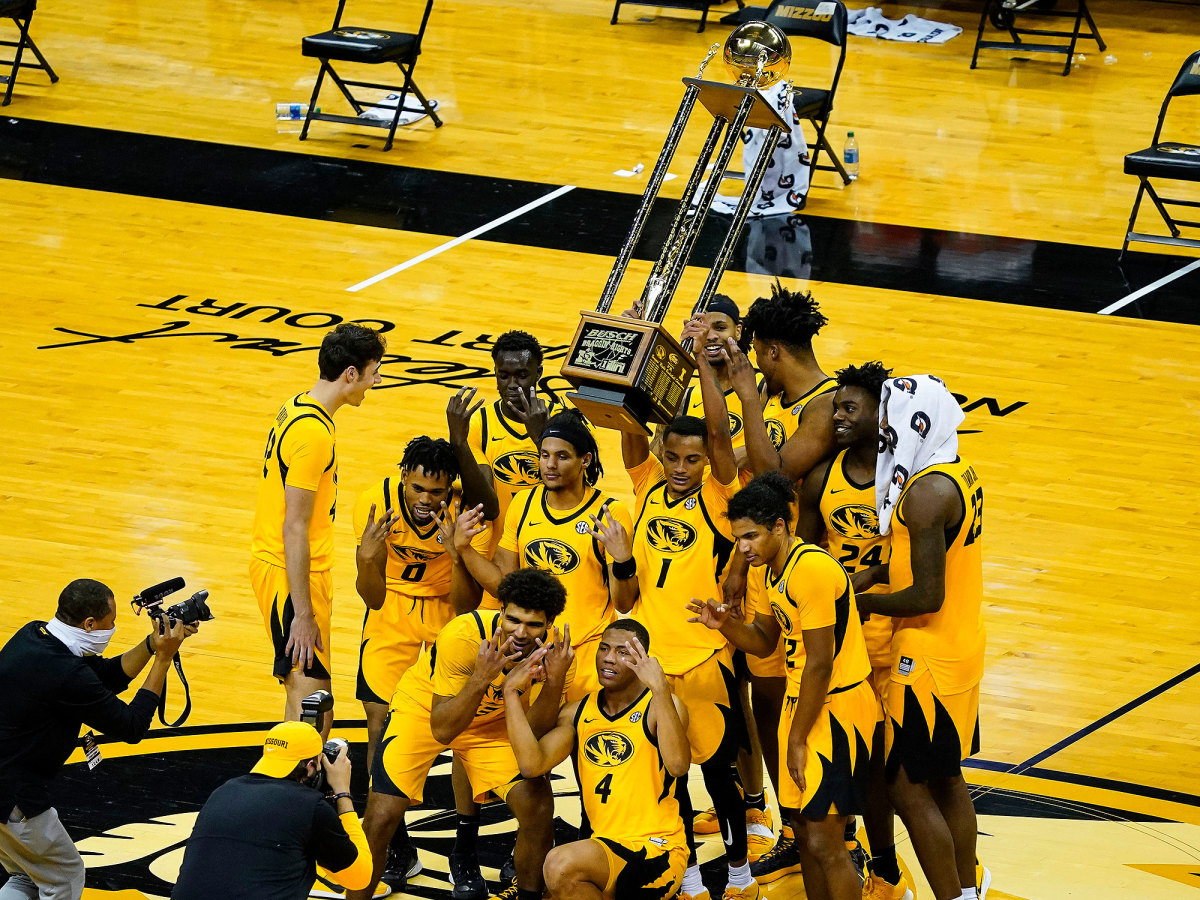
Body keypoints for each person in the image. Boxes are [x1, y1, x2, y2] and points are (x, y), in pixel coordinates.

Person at [612, 313, 756, 900]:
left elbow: (722, 439)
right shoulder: (647, 487)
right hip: (654, 662)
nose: (679, 468)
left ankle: (741, 865)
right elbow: (626, 425)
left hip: (704, 658)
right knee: (667, 775)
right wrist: (626, 347)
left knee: (718, 771)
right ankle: (688, 869)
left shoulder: (721, 499)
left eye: (690, 461)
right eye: (672, 457)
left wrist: (701, 362)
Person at [689, 472, 877, 900]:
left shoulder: (809, 568)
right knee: (805, 837)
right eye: (738, 539)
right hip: (805, 702)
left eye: (751, 536)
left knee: (828, 842)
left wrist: (794, 739)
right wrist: (725, 626)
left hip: (836, 707)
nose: (743, 548)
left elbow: (821, 662)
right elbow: (764, 640)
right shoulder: (774, 572)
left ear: (779, 525)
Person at [347, 569, 575, 900]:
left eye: (534, 624)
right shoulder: (464, 636)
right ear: (500, 612)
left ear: (549, 623)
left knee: (537, 808)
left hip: (490, 726)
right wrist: (482, 678)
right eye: (513, 620)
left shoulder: (559, 655)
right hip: (425, 714)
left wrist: (553, 682)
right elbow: (442, 729)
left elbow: (535, 735)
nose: (521, 632)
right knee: (380, 817)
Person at [716, 283, 840, 879]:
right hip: (769, 567)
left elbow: (772, 482)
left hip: (810, 575)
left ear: (767, 352)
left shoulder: (824, 405)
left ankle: (836, 830)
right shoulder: (777, 389)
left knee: (812, 705)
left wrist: (747, 400)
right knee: (767, 701)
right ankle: (790, 820)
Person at [853, 375, 989, 900]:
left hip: (927, 658)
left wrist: (861, 604)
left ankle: (953, 897)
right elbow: (921, 561)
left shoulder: (923, 496)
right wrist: (872, 575)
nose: (885, 431)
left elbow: (926, 595)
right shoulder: (959, 472)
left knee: (905, 787)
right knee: (948, 778)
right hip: (963, 644)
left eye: (893, 421)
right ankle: (970, 890)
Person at [796, 362, 916, 900]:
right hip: (838, 645)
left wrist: (864, 579)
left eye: (849, 408)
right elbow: (801, 554)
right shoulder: (823, 476)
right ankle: (848, 851)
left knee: (884, 770)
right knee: (846, 765)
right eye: (836, 407)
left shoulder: (907, 480)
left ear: (880, 413)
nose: (837, 417)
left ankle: (886, 864)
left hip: (891, 638)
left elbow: (918, 563)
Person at [352, 435, 491, 894]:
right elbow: (370, 597)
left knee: (461, 732)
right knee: (379, 726)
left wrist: (457, 553)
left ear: (450, 488)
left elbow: (467, 601)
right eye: (418, 489)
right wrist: (367, 558)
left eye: (437, 492)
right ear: (403, 480)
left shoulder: (463, 513)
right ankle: (398, 844)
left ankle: (465, 848)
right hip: (390, 608)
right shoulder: (374, 503)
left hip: (445, 613)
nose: (427, 501)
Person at [0, 578, 193, 900]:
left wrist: (152, 644)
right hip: (14, 795)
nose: (114, 627)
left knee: (27, 875)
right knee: (64, 877)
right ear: (90, 623)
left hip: (5, 787)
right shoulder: (65, 673)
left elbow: (101, 679)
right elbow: (131, 728)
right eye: (111, 621)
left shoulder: (34, 635)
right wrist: (162, 660)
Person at [250, 323, 387, 729]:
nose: (375, 381)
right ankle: (293, 787)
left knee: (305, 692)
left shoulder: (298, 405)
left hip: (296, 571)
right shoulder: (313, 432)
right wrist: (303, 613)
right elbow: (295, 526)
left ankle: (290, 784)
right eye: (373, 371)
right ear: (350, 374)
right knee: (313, 700)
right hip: (288, 575)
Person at [455, 408, 635, 701]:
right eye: (544, 455)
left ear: (585, 460)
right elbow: (503, 583)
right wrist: (464, 550)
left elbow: (625, 601)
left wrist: (623, 560)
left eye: (562, 456)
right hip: (534, 653)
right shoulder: (524, 503)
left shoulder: (610, 512)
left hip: (586, 651)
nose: (549, 465)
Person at [503, 620, 691, 900]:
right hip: (600, 850)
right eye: (603, 648)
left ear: (643, 659)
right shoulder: (577, 712)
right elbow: (532, 765)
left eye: (622, 652)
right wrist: (510, 694)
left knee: (559, 864)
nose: (608, 657)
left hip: (656, 849)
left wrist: (661, 687)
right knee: (563, 878)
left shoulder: (660, 705)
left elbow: (678, 765)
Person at [173, 721, 370, 900]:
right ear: (312, 766)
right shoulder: (310, 807)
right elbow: (359, 878)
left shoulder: (223, 791)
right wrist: (342, 792)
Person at [447, 330, 563, 608]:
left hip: (550, 543)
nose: (512, 384)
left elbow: (576, 486)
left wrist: (540, 438)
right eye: (503, 375)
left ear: (539, 373)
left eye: (522, 375)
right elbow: (488, 506)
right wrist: (459, 444)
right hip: (499, 552)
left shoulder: (564, 421)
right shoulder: (480, 424)